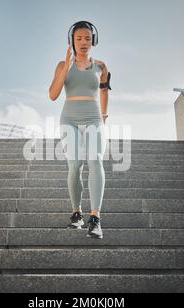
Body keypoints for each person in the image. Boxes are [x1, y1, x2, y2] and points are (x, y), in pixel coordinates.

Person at [49, 21, 112, 239]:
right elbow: (53, 94)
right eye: (79, 39)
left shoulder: (101, 67)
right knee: (75, 165)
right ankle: (76, 214)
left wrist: (104, 115)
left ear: (93, 40)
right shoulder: (62, 65)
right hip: (70, 118)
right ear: (72, 41)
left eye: (87, 38)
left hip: (94, 117)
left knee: (95, 159)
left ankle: (95, 219)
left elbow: (104, 91)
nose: (83, 42)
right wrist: (66, 66)